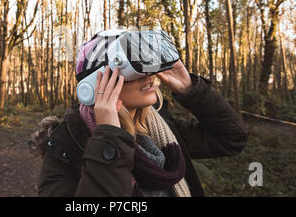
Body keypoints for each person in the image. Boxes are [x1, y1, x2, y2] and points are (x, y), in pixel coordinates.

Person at [35, 31, 248, 197]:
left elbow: (232, 139)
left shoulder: (160, 129)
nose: (147, 75)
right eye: (132, 68)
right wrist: (108, 138)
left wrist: (191, 90)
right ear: (94, 85)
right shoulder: (66, 147)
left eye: (145, 64)